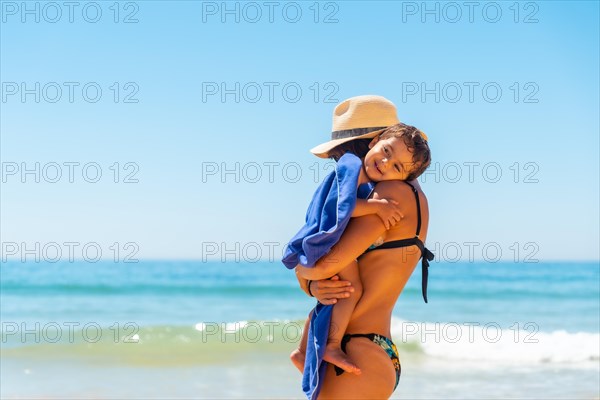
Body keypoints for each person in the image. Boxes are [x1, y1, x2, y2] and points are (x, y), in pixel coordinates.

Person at [283, 96, 433, 399]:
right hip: (377, 348)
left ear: (365, 143)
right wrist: (315, 287)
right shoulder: (411, 193)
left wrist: (301, 272)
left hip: (356, 352)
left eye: (343, 153)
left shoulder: (389, 193)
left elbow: (326, 265)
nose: (343, 166)